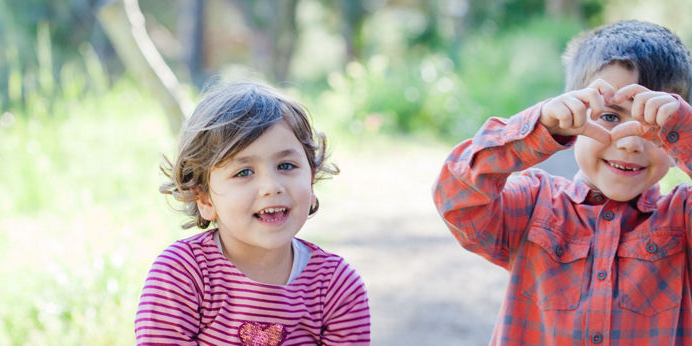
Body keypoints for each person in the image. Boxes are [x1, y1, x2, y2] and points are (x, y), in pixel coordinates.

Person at [433, 20, 692, 344]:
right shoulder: (532, 205)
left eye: (655, 126)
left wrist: (685, 133)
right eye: (610, 117)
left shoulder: (681, 219)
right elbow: (455, 196)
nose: (631, 142)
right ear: (573, 115)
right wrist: (536, 130)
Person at [136, 79, 371, 345]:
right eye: (244, 172)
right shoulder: (183, 274)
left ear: (312, 178)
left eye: (286, 165)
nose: (272, 187)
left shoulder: (336, 287)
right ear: (205, 197)